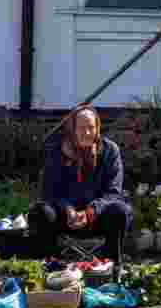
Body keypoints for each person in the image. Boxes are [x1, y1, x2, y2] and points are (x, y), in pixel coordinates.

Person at [29, 106, 132, 272]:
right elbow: (49, 191)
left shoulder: (109, 150)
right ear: (72, 129)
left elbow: (113, 192)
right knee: (40, 211)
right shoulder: (57, 151)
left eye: (91, 127)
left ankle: (112, 268)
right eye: (82, 128)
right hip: (65, 217)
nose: (87, 133)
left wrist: (91, 211)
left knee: (120, 210)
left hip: (97, 217)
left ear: (97, 128)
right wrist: (67, 208)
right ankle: (50, 266)